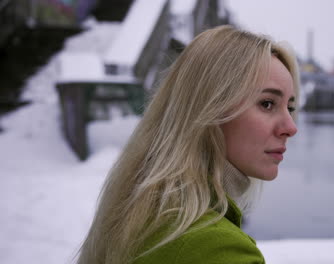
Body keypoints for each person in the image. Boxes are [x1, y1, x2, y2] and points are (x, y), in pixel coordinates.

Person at [76, 25, 299, 264]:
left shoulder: (139, 213)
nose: (290, 127)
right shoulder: (217, 249)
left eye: (290, 107)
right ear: (209, 107)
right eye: (267, 104)